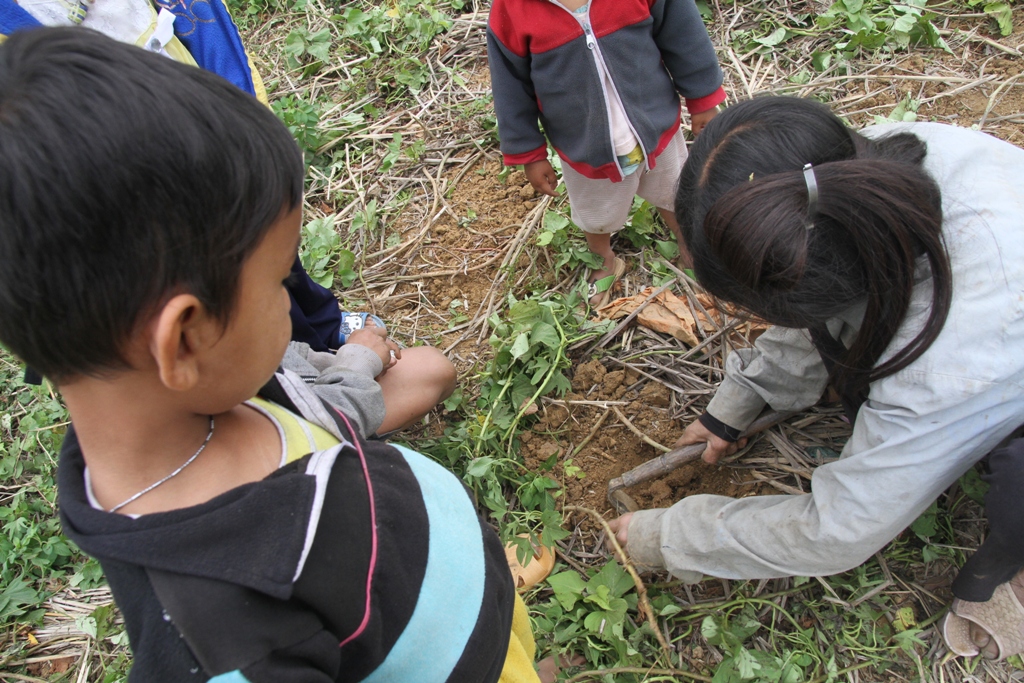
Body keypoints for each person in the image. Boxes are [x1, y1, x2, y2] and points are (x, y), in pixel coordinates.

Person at [0, 28, 538, 681]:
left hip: (473, 607)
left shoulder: (219, 391)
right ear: (186, 337)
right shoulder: (224, 644)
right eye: (280, 280)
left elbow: (321, 417)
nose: (290, 303)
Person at [606, 96, 1024, 661]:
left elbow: (840, 530)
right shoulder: (834, 168)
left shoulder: (945, 368)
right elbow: (813, 274)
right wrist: (739, 402)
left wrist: (672, 536)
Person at [0, 0, 458, 426]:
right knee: (426, 371)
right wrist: (357, 361)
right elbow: (324, 420)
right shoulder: (265, 434)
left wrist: (335, 358)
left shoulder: (152, 361)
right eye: (273, 286)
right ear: (184, 337)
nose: (284, 298)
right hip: (300, 409)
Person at [486, 0, 725, 307]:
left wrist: (703, 98)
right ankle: (603, 259)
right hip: (585, 147)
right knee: (596, 216)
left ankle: (687, 241)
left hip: (656, 128)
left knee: (676, 193)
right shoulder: (512, 10)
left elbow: (683, 34)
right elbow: (510, 86)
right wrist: (528, 152)